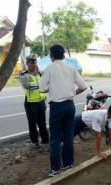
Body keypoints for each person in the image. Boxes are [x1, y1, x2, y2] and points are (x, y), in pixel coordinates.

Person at [39, 44, 87, 177]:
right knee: (68, 136)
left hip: (57, 107)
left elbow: (42, 88)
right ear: (64, 55)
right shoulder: (71, 68)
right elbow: (83, 86)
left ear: (51, 56)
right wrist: (71, 92)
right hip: (69, 105)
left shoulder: (49, 68)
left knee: (54, 138)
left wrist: (54, 88)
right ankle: (68, 163)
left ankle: (55, 169)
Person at [19, 54, 49, 149]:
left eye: (35, 63)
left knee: (42, 122)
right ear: (27, 64)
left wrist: (44, 102)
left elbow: (44, 85)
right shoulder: (24, 75)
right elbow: (26, 86)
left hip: (40, 102)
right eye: (31, 63)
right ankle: (34, 141)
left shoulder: (39, 74)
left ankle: (45, 139)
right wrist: (41, 87)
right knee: (32, 123)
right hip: (30, 103)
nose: (33, 65)